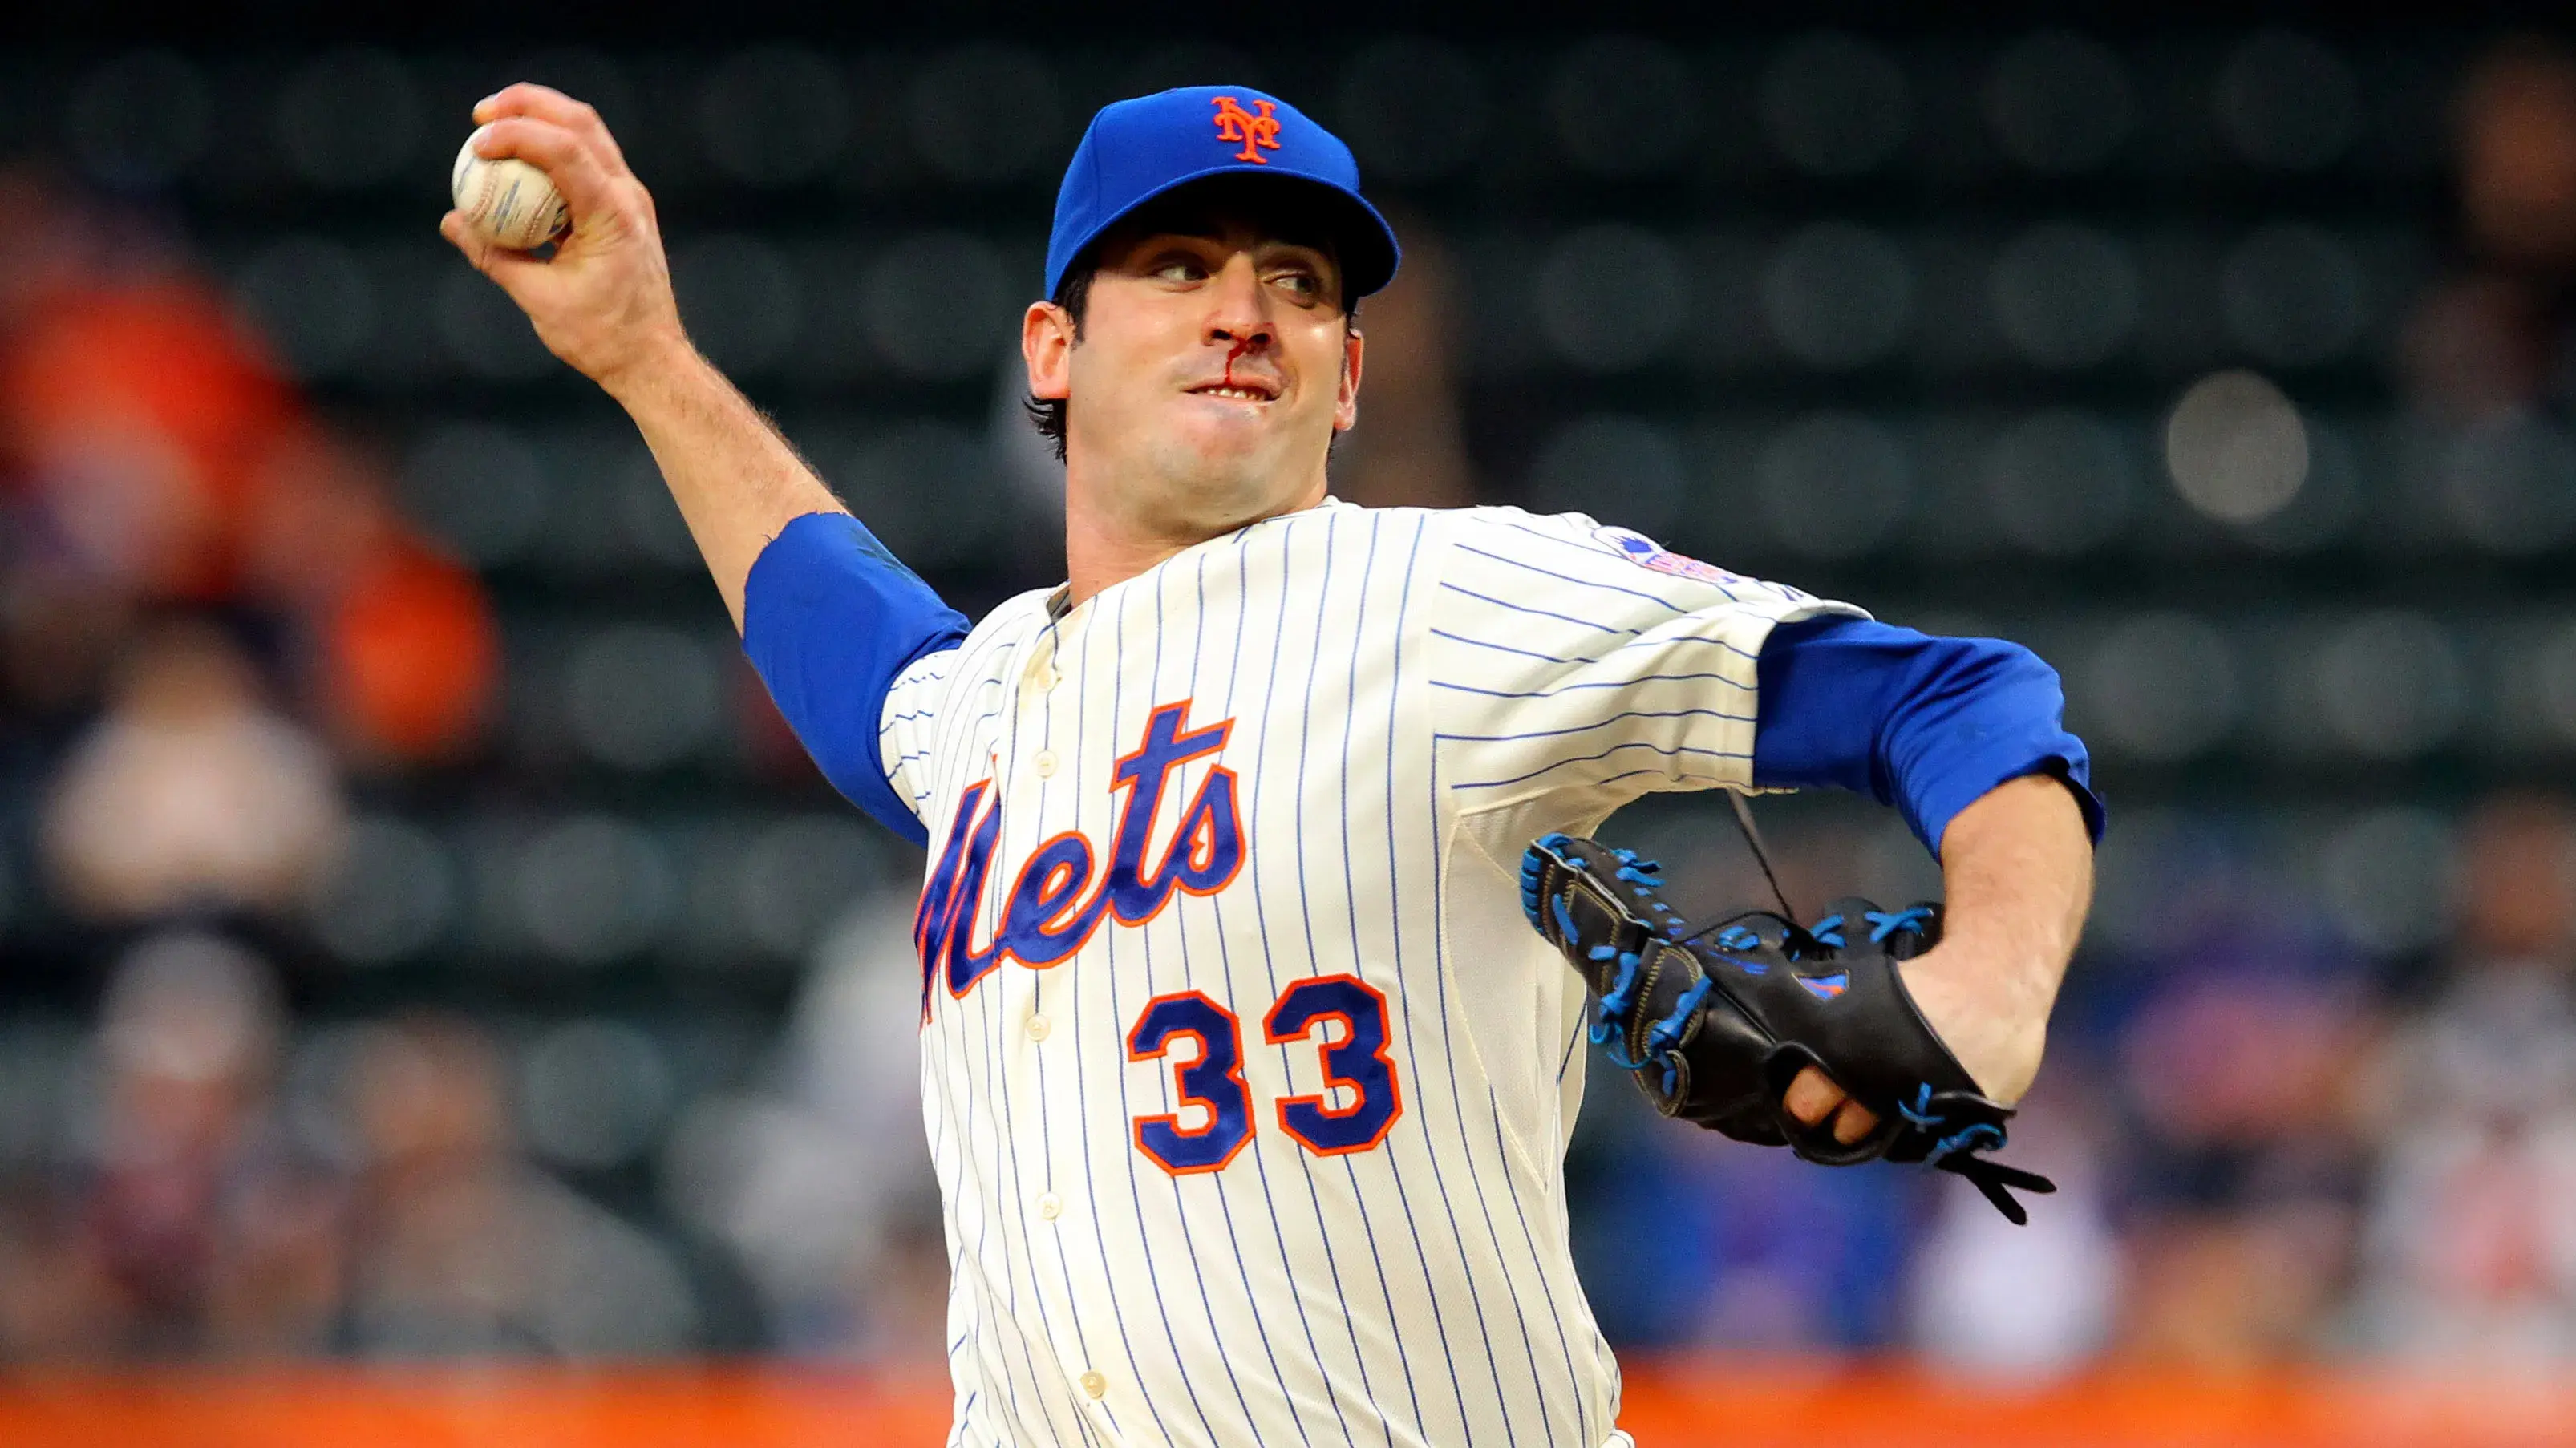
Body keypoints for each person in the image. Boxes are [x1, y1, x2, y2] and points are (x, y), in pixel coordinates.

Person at [446, 81, 2100, 1446]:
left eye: (1302, 283)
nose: (1246, 310)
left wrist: (1995, 992)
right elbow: (847, 640)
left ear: (1350, 375)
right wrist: (644, 359)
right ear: (1051, 350)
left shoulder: (1452, 599)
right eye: (1178, 263)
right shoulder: (989, 704)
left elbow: (1956, 699)